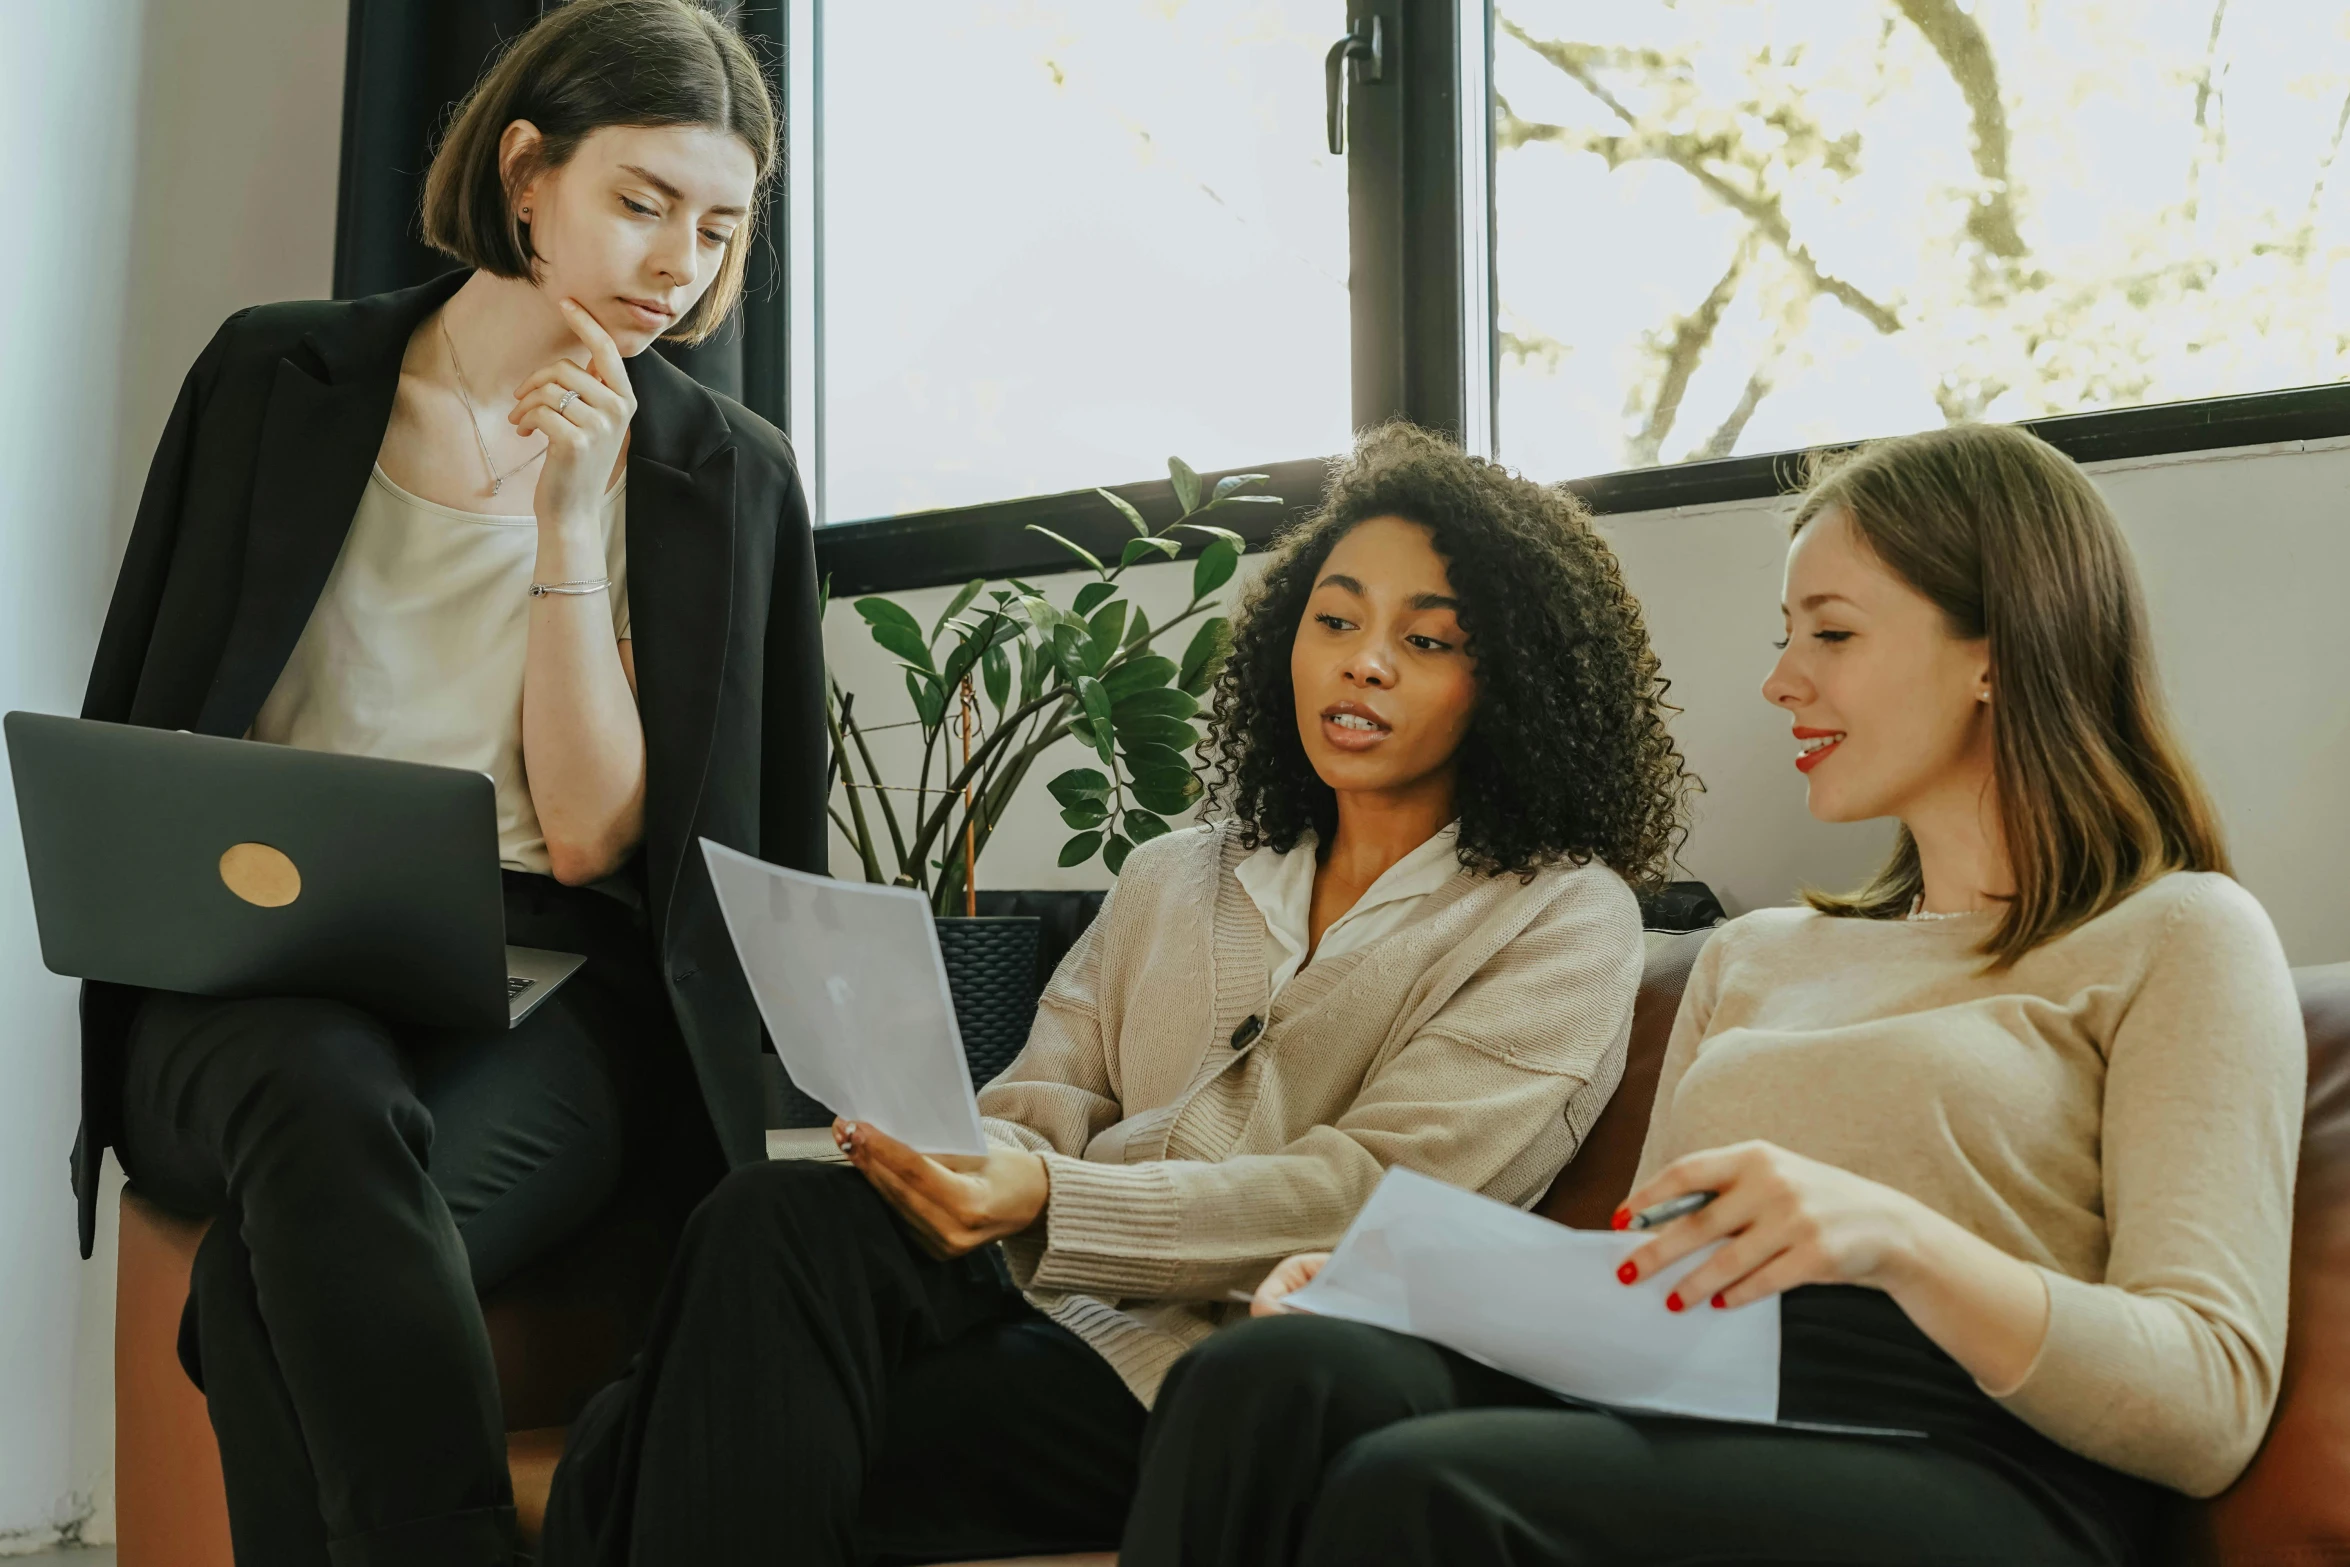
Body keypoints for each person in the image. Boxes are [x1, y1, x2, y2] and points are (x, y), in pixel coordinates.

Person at [1126, 421, 2304, 1567]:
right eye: (1785, 634)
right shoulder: (1758, 955)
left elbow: (2205, 1401)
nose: (1781, 680)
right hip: (1703, 1395)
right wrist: (1395, 1285)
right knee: (1267, 1376)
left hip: (1976, 1456)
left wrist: (1896, 1237)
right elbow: (1634, 1304)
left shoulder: (2178, 933)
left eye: (1830, 634)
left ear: (1993, 647)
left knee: (1424, 1491)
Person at [540, 422, 1696, 1565]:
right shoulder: (1174, 870)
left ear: (1514, 683)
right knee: (769, 1213)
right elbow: (1045, 1098)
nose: (1364, 662)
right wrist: (947, 1153)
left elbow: (1373, 1201)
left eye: (1428, 641)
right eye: (1334, 620)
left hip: (1203, 1370)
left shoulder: (1559, 913)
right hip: (1025, 1296)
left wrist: (1046, 1199)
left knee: (631, 1439)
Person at [76, 4, 823, 1563]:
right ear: (526, 171)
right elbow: (149, 709)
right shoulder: (272, 375)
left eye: (718, 225)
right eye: (640, 201)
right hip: (250, 965)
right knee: (313, 1083)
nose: (677, 260)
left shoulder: (722, 473)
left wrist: (569, 523)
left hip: (551, 979)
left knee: (261, 1284)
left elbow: (601, 834)